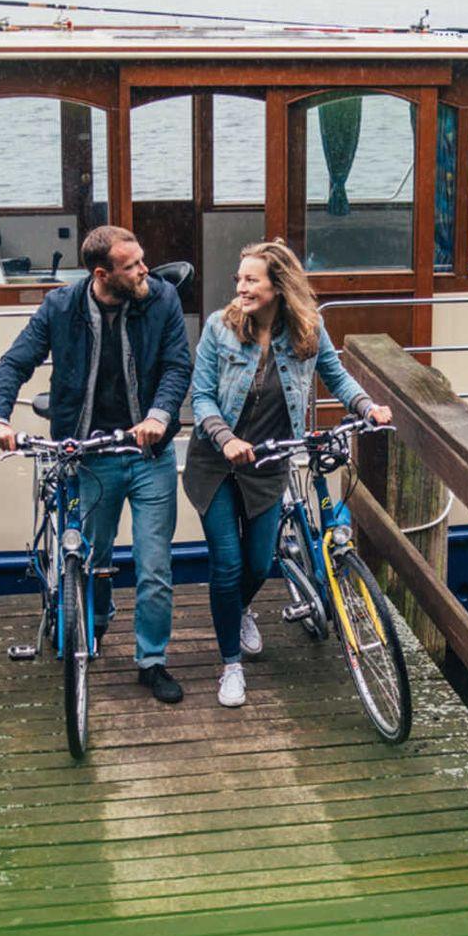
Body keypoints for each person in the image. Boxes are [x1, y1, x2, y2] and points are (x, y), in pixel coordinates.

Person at [0, 225, 191, 704]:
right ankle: (92, 621)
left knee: (154, 566)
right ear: (102, 274)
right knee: (93, 558)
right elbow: (15, 363)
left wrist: (159, 417)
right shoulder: (60, 307)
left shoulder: (162, 299)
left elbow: (178, 366)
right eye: (132, 266)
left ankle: (152, 660)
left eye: (142, 260)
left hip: (147, 454)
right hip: (89, 455)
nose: (145, 271)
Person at [188, 241, 392, 708]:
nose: (240, 288)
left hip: (267, 463)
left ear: (278, 286)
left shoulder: (308, 328)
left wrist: (367, 406)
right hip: (215, 462)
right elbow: (201, 397)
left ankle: (238, 609)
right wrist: (226, 438)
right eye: (239, 279)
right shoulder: (220, 328)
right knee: (228, 564)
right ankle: (231, 666)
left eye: (251, 280)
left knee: (260, 563)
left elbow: (335, 376)